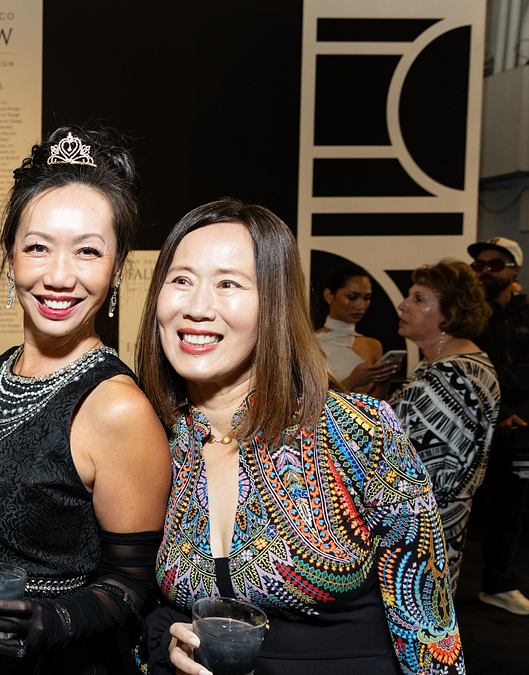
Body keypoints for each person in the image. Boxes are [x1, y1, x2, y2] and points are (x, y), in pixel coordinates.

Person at [137, 200, 463, 675]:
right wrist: (169, 645)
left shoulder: (360, 433)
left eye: (228, 283)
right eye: (181, 280)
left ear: (274, 302)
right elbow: (136, 606)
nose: (197, 307)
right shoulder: (154, 441)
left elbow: (430, 631)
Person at [0, 126, 172, 675]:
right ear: (11, 258)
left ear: (118, 267)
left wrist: (48, 622)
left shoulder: (117, 408)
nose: (58, 276)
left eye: (88, 252)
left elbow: (131, 584)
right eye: (38, 247)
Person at [388, 261, 498, 595]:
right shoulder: (450, 363)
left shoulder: (448, 377)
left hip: (418, 543)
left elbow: (426, 476)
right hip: (431, 537)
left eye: (419, 298)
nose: (403, 304)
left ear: (448, 314)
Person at [468, 236, 529, 615]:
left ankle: (500, 584)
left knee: (513, 507)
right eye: (479, 266)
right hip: (480, 426)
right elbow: (474, 370)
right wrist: (500, 409)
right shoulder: (471, 314)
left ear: (514, 270)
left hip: (522, 428)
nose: (485, 272)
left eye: (493, 265)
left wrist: (514, 409)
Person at [313, 262, 399, 394]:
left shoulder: (373, 346)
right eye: (352, 297)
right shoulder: (311, 343)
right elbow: (307, 401)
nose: (361, 305)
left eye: (367, 298)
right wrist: (352, 381)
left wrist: (383, 384)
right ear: (329, 295)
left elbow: (376, 406)